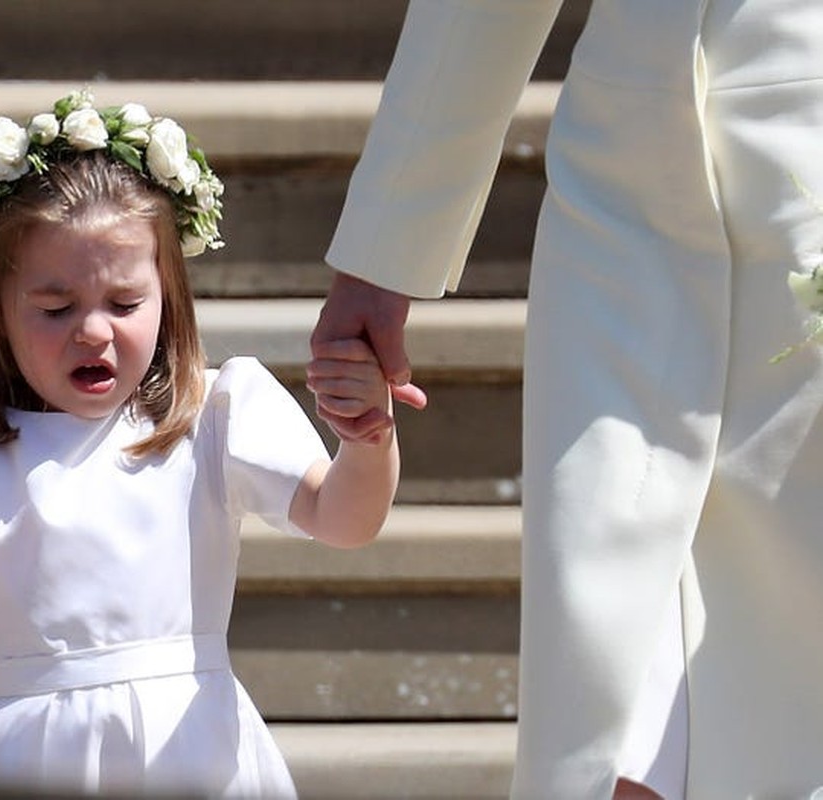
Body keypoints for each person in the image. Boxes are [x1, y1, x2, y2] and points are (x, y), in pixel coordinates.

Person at [311, 2, 823, 799]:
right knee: (604, 678)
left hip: (802, 178)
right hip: (622, 190)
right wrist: (382, 254)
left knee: (783, 667)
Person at [0, 90, 399, 799]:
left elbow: (345, 520)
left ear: (168, 298)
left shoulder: (215, 408)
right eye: (55, 307)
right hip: (19, 759)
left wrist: (368, 441)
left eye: (125, 303)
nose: (94, 330)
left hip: (188, 755)